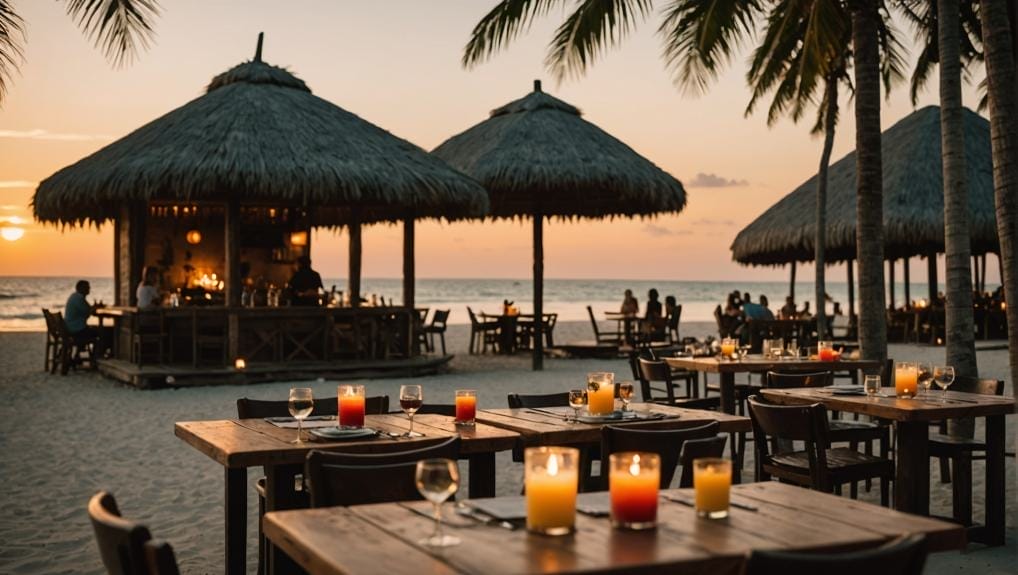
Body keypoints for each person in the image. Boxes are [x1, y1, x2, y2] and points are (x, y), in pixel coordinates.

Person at [64, 279, 106, 356]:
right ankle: (98, 355)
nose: (89, 289)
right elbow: (88, 312)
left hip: (71, 328)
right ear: (81, 288)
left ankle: (90, 354)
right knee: (103, 332)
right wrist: (95, 308)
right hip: (77, 330)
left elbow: (87, 310)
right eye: (87, 287)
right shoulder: (79, 298)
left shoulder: (74, 297)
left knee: (99, 330)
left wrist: (93, 308)